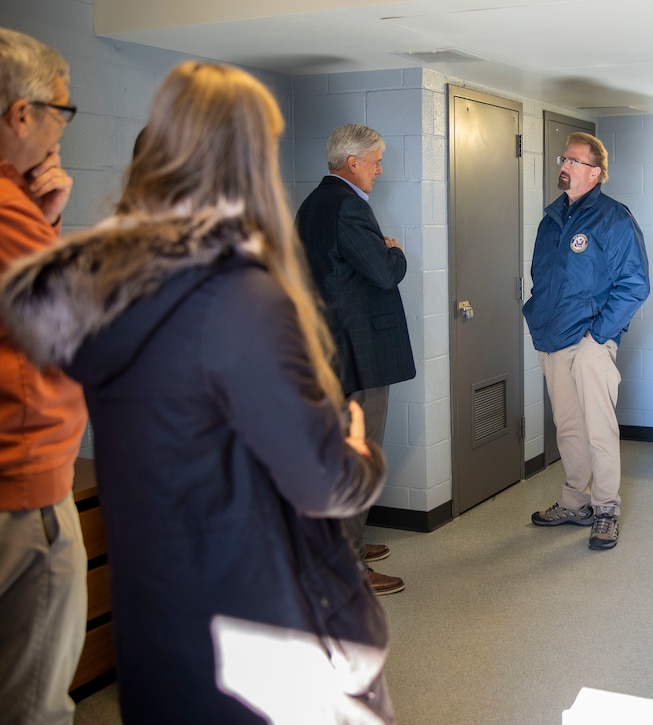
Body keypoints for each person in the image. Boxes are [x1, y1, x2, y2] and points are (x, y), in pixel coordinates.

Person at [1, 61, 395, 723]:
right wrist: (359, 450)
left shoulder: (98, 294)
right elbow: (324, 480)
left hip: (157, 618)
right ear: (246, 161)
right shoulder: (240, 299)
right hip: (256, 622)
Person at [0, 27, 88, 724]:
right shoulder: (6, 211)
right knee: (34, 702)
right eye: (61, 110)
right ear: (20, 114)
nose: (63, 127)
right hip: (20, 484)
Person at [295, 123, 415, 596]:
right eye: (376, 161)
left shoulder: (312, 205)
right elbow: (383, 274)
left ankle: (351, 548)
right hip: (354, 355)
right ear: (353, 163)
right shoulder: (348, 207)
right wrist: (397, 253)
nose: (380, 170)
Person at [524, 131, 650, 550]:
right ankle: (576, 502)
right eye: (564, 158)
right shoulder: (552, 218)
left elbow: (634, 284)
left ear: (595, 173)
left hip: (591, 341)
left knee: (599, 428)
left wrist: (599, 336)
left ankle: (606, 508)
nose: (564, 165)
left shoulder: (614, 219)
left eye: (574, 161)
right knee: (569, 428)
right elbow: (543, 278)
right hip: (552, 340)